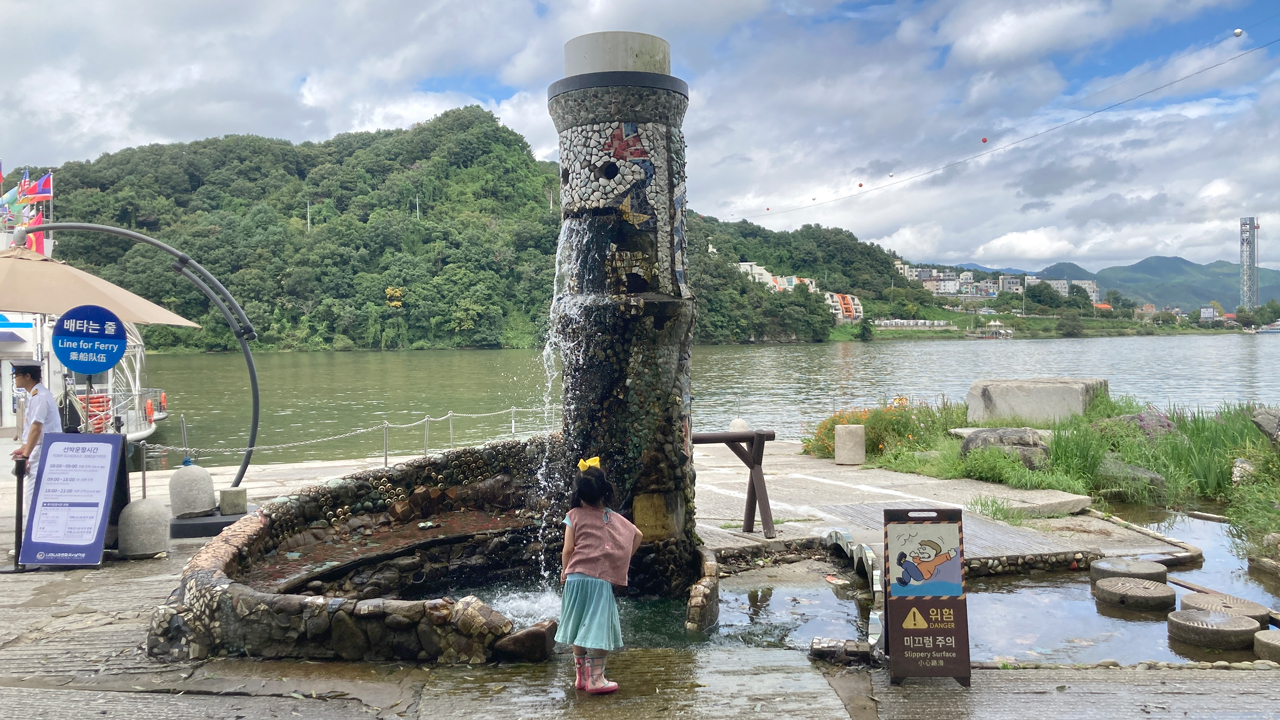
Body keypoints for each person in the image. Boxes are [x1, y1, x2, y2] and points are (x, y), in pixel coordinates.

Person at [556, 458, 643, 694]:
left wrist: (565, 570)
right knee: (600, 627)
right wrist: (621, 559)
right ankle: (596, 679)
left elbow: (567, 550)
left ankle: (581, 677)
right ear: (605, 492)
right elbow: (637, 535)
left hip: (575, 580)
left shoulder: (573, 515)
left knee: (578, 625)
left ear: (579, 494)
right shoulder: (609, 517)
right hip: (598, 581)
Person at [9, 360, 62, 517]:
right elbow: (32, 427)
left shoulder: (39, 396)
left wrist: (26, 456)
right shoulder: (36, 395)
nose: (15, 379)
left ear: (27, 376)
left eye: (17, 375)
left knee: (33, 494)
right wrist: (24, 447)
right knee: (36, 492)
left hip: (42, 450)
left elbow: (37, 428)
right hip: (40, 448)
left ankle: (31, 529)